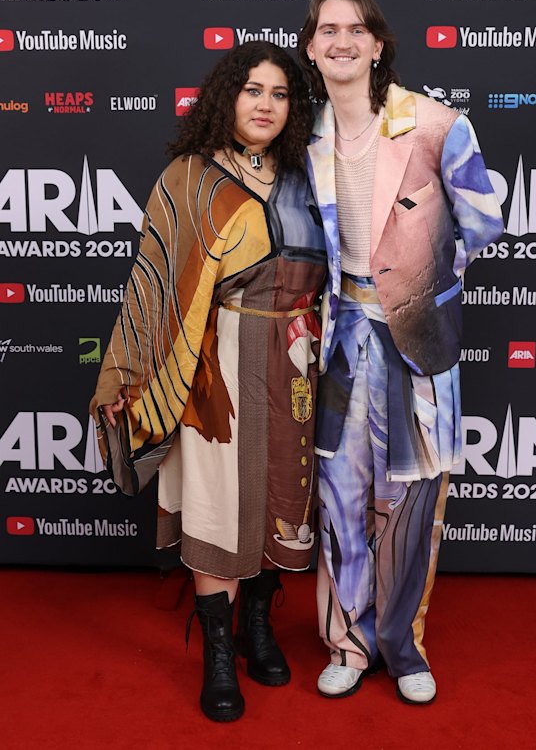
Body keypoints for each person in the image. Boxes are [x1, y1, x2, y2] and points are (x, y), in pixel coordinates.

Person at [90, 41, 327, 722]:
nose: (266, 105)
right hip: (212, 376)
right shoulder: (188, 179)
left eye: (280, 94)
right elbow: (153, 288)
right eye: (253, 90)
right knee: (220, 504)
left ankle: (258, 626)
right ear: (228, 97)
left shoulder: (308, 179)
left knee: (282, 495)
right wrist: (129, 378)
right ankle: (219, 651)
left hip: (293, 365)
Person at [297, 0, 504, 704]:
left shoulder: (435, 124)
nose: (342, 41)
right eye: (328, 30)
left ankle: (403, 646)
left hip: (414, 345)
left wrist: (418, 284)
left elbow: (482, 221)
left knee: (412, 504)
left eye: (357, 29)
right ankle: (347, 643)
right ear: (311, 48)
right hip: (337, 342)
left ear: (378, 45)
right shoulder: (304, 135)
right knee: (340, 499)